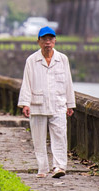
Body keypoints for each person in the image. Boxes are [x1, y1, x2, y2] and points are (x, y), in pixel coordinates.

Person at [17, 26, 75, 178]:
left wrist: (70, 104)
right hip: (38, 104)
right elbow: (26, 83)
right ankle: (42, 168)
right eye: (44, 40)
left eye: (50, 39)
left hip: (58, 104)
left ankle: (59, 167)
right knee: (38, 139)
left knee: (60, 136)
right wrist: (25, 103)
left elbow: (68, 82)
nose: (47, 43)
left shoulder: (62, 59)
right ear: (39, 42)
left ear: (55, 41)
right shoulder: (32, 60)